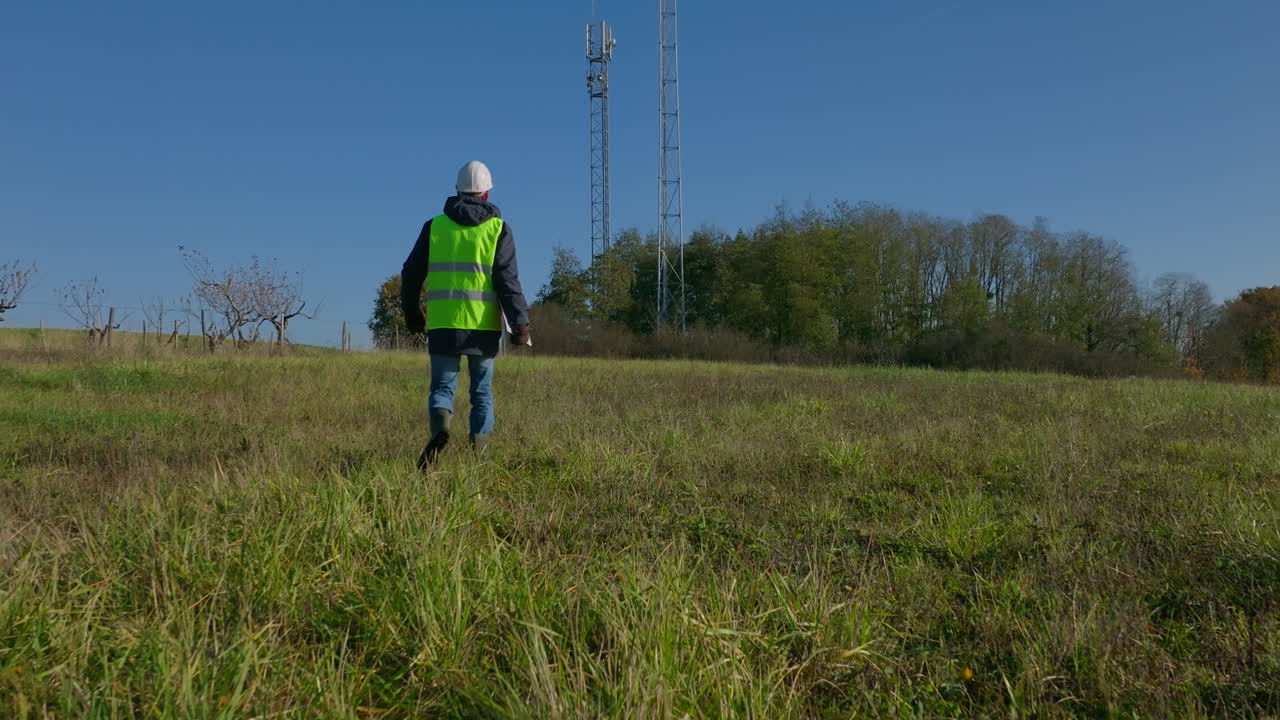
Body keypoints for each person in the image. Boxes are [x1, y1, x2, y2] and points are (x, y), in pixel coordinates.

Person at [401, 160, 531, 469]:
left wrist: (413, 314)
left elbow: (410, 273)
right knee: (481, 392)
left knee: (443, 388)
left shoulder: (434, 227)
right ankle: (480, 459)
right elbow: (507, 281)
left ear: (457, 191)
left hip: (444, 323)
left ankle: (441, 428)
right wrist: (521, 324)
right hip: (482, 328)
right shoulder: (499, 228)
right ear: (486, 194)